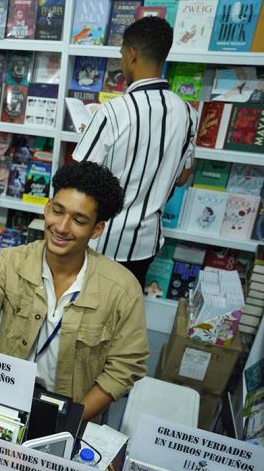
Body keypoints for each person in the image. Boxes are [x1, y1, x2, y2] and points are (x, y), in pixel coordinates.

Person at [0, 162, 149, 421]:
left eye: (78, 220)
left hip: (70, 408)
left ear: (96, 229)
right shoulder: (13, 261)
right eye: (57, 211)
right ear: (47, 207)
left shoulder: (122, 289)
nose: (61, 227)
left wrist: (71, 420)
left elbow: (124, 367)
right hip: (0, 398)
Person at [72, 17, 198, 288]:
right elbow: (182, 176)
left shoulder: (113, 111)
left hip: (102, 242)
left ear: (131, 54)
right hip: (146, 244)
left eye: (121, 54)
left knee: (87, 314)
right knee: (123, 317)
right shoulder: (188, 114)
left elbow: (78, 180)